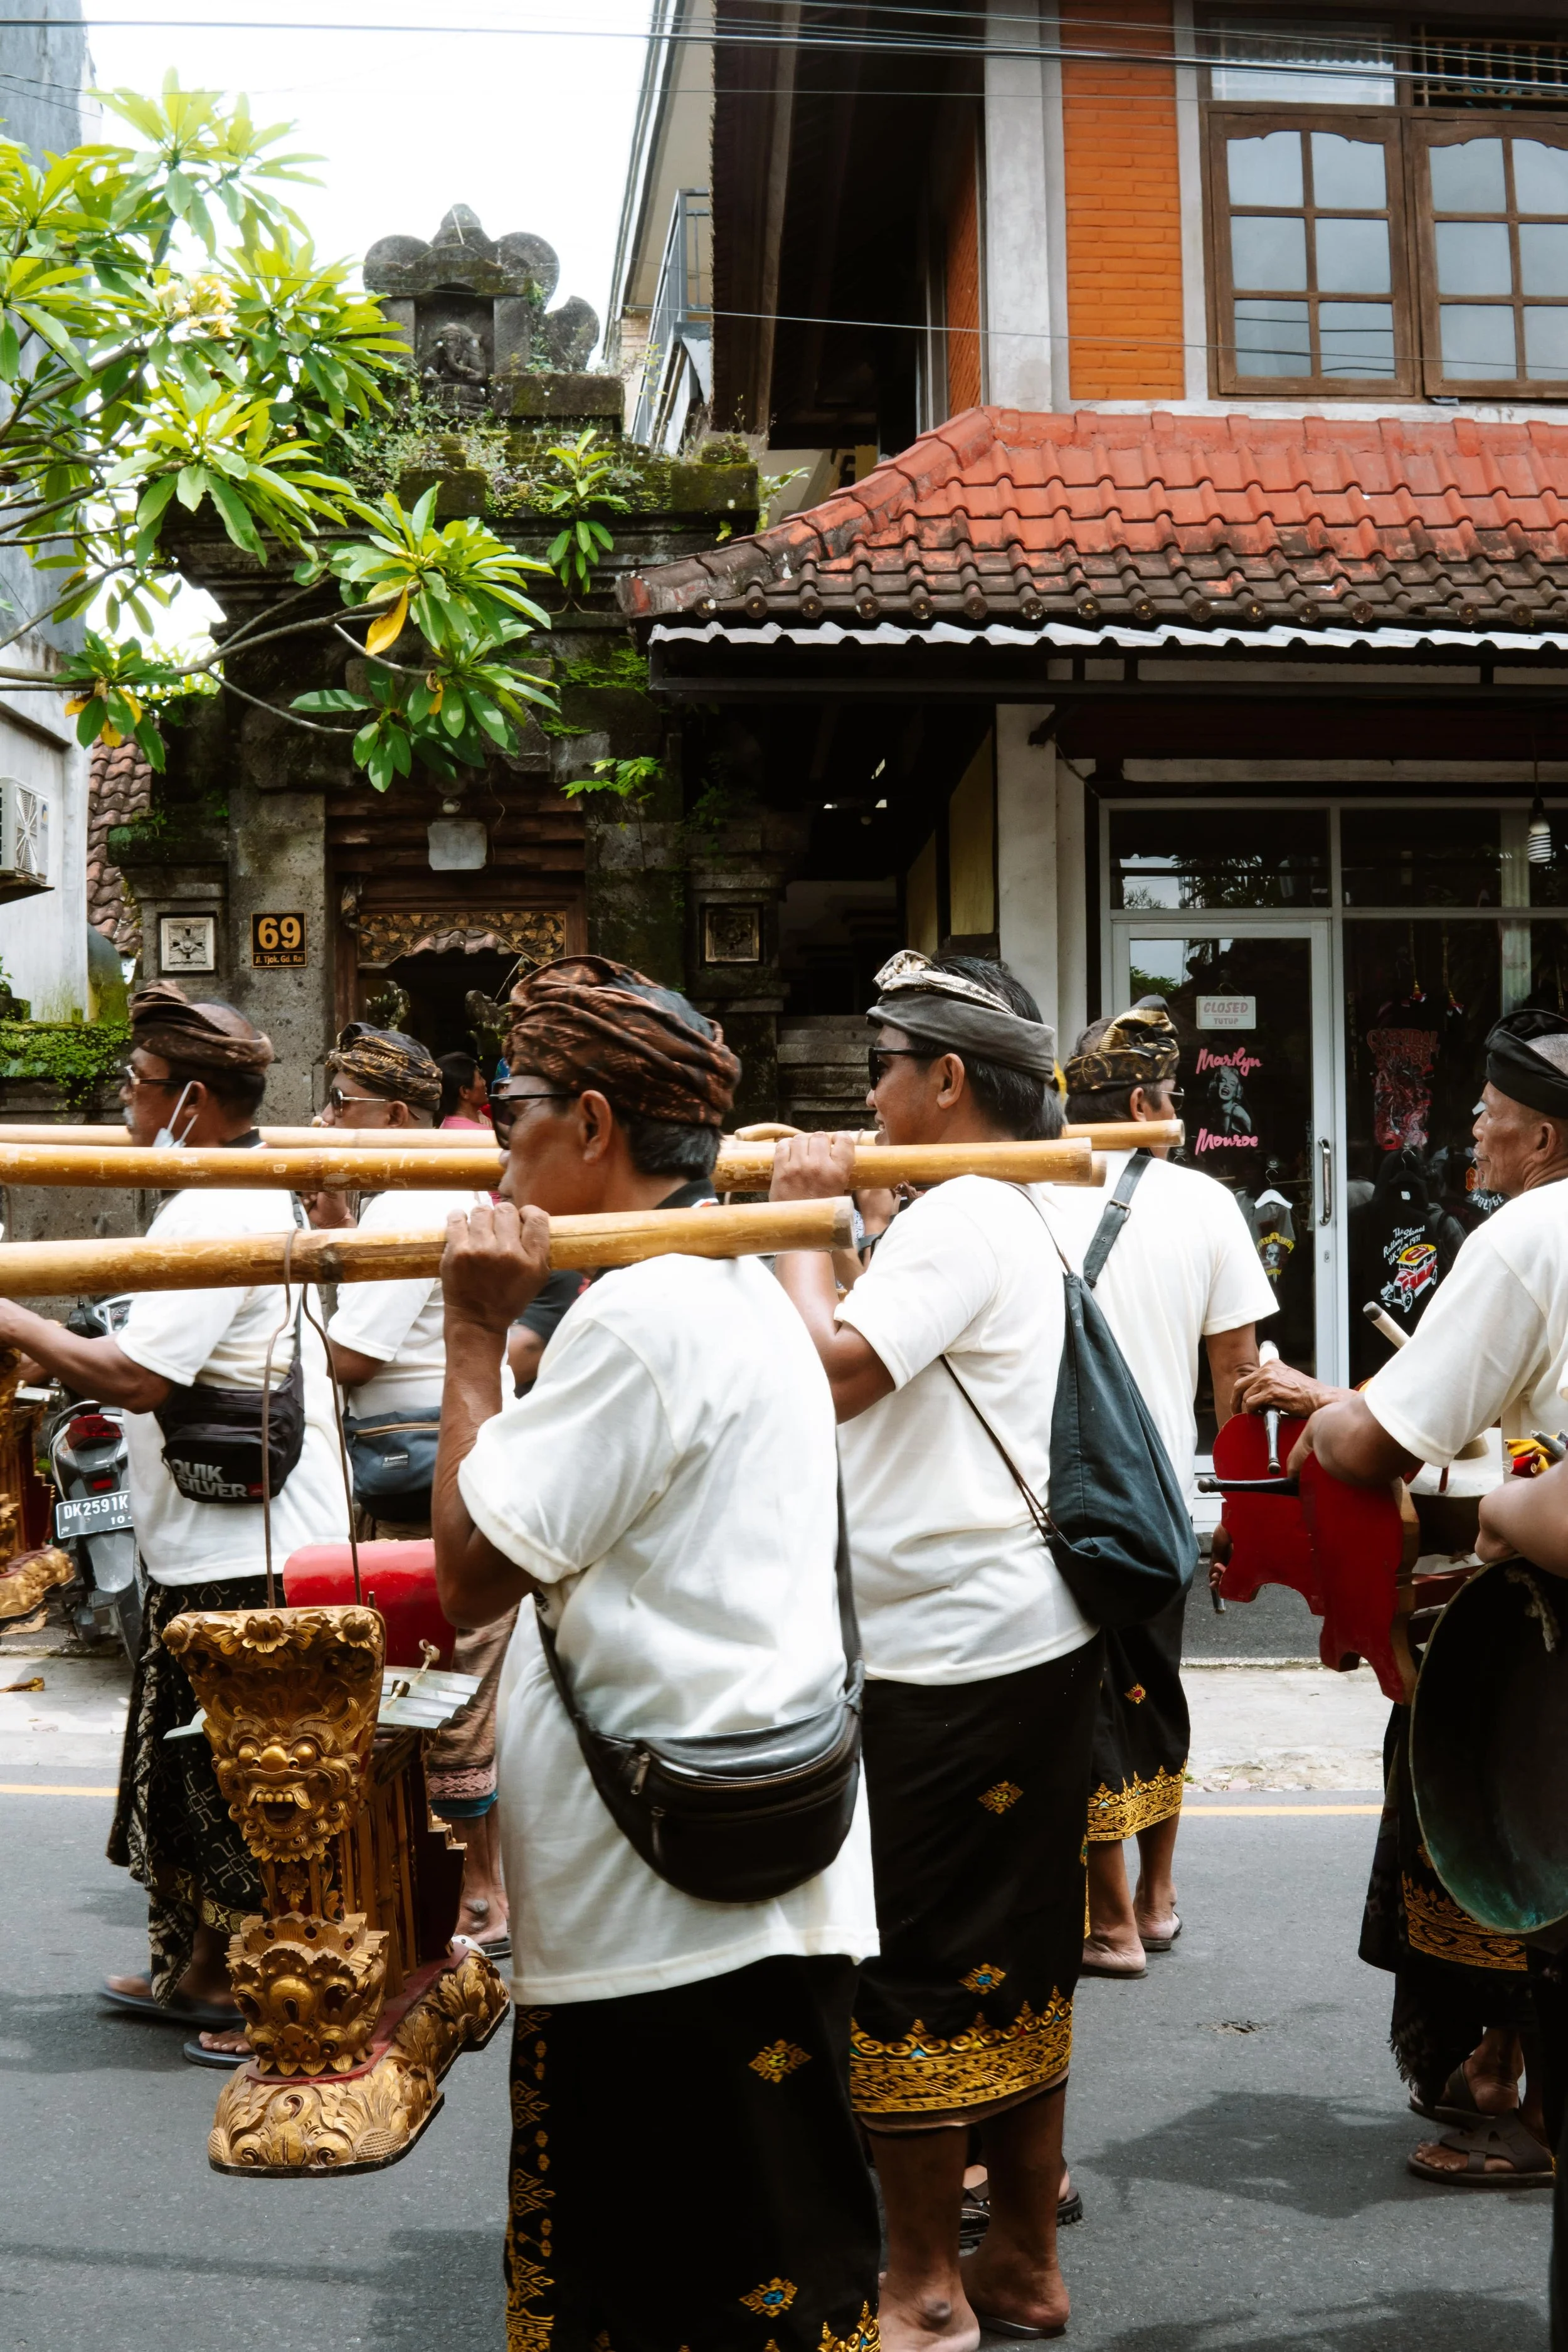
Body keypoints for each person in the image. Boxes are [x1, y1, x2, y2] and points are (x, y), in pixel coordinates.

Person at [432, 953, 881, 2352]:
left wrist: (466, 1330)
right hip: (763, 1856)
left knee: (650, 2291)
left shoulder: (642, 1313)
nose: (501, 1141)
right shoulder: (732, 1281)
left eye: (514, 1108)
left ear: (594, 1127)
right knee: (778, 2266)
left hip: (660, 1908)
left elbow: (466, 1573)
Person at [769, 948, 1101, 2351]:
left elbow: (823, 1378)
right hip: (1016, 1640)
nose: (867, 1100)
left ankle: (919, 2287)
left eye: (880, 1074)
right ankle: (1018, 2263)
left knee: (910, 1965)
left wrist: (791, 1226)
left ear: (947, 1081)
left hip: (952, 1656)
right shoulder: (992, 1206)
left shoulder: (966, 1211)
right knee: (1013, 1956)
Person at [0, 982, 347, 2059]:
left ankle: (257, 1988)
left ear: (192, 1097)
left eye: (140, 1081)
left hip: (247, 1543)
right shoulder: (232, 1189)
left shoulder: (217, 1207)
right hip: (216, 1530)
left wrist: (8, 1313)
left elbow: (141, 1377)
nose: (125, 1094)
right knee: (192, 1769)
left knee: (239, 1778)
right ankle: (200, 1968)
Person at [1293, 1007, 1568, 2212]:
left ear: (1545, 1136)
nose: (1474, 1124)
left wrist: (1324, 1423)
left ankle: (1509, 2094)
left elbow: (1381, 1440)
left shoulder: (1531, 1236)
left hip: (1546, 1612)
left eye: (1493, 1109)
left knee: (1492, 1817)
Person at [1051, 1004, 1274, 1978]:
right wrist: (1239, 1511)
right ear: (1144, 1101)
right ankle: (1158, 1893)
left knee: (1085, 1696)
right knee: (1158, 1688)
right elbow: (1238, 1380)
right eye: (1171, 1094)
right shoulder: (1207, 1202)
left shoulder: (1025, 1195)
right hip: (1162, 1493)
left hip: (1059, 1492)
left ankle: (1108, 1922)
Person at [314, 1021, 504, 1956]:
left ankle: (478, 1893)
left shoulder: (411, 1198)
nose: (324, 1119)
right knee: (454, 1681)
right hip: (447, 1468)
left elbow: (350, 1354)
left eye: (341, 1104)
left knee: (444, 1686)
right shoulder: (430, 1186)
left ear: (393, 1114)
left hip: (418, 1476)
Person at [438, 1049, 494, 1130]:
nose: (484, 1082)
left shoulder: (444, 1125)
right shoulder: (484, 1134)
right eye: (479, 1078)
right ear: (464, 1091)